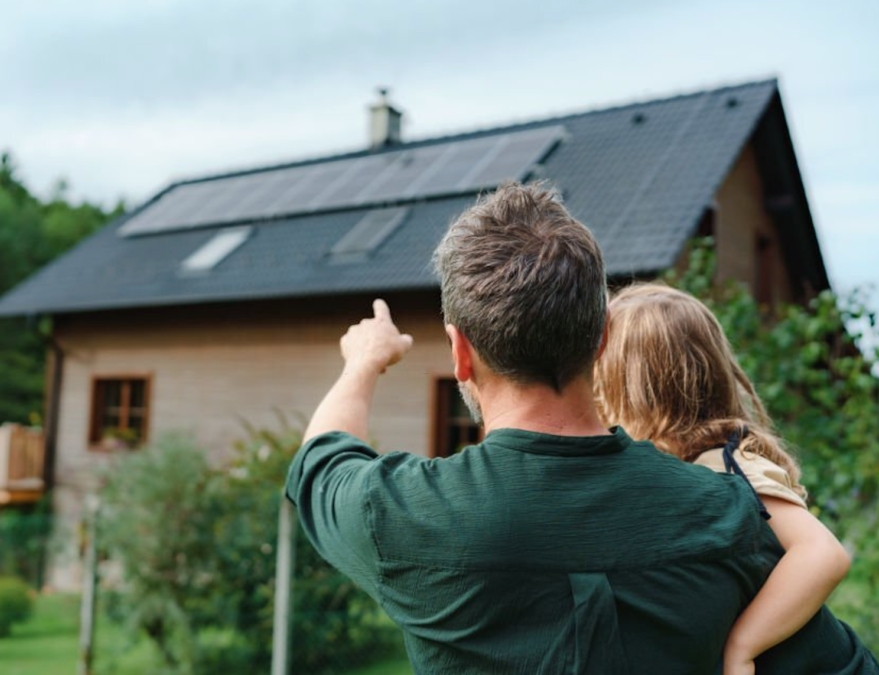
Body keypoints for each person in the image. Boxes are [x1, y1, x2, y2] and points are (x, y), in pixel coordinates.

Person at [286, 182, 796, 673]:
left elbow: (322, 459)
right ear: (601, 339)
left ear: (460, 352)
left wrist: (363, 361)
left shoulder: (402, 514)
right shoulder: (728, 512)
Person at [594, 283, 878, 674]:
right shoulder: (688, 466)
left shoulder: (727, 465)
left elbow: (822, 554)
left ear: (631, 389)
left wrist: (743, 645)